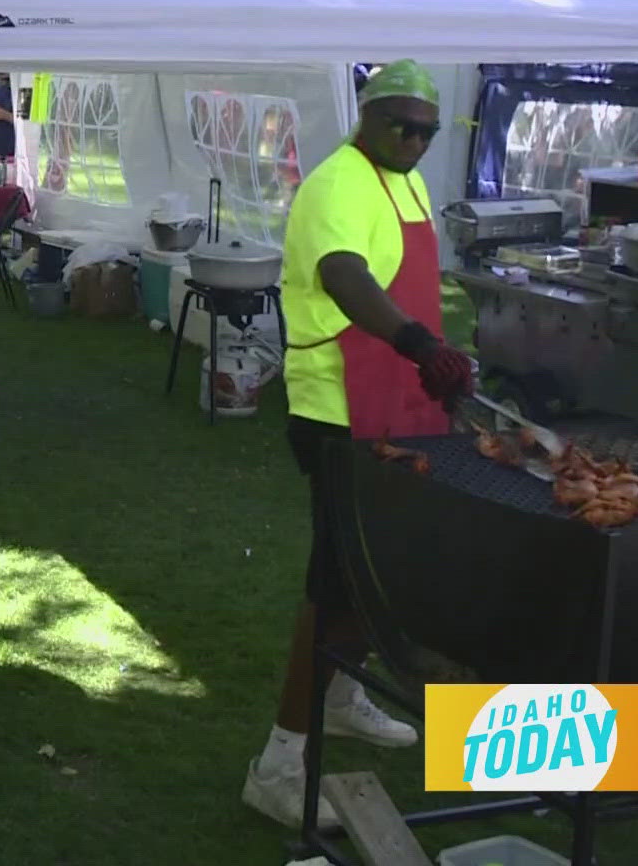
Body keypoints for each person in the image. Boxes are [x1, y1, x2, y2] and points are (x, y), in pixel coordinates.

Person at [242, 60, 470, 828]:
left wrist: (429, 359)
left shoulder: (405, 181)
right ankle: (277, 764)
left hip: (395, 395)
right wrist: (415, 341)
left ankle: (340, 696)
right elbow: (344, 274)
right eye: (400, 126)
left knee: (374, 570)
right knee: (336, 580)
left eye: (426, 132)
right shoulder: (338, 182)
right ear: (364, 119)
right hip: (337, 407)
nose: (412, 141)